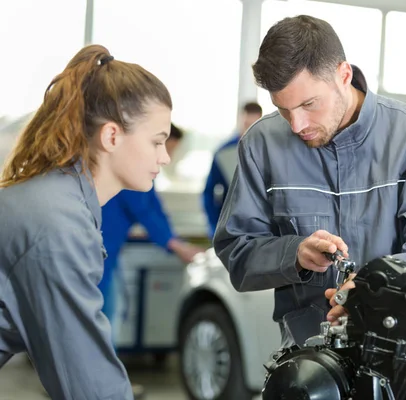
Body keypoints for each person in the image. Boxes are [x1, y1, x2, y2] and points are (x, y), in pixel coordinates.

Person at [213, 15, 406, 348]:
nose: (296, 125)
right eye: (283, 109)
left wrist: (373, 291)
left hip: (402, 353)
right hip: (307, 359)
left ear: (343, 75)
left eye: (309, 104)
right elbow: (236, 248)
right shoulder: (261, 145)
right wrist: (295, 253)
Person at [0, 44, 172, 399]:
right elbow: (90, 386)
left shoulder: (59, 202)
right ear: (111, 136)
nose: (165, 157)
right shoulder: (58, 225)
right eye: (157, 142)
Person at [100, 122, 202, 346]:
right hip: (97, 252)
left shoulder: (142, 170)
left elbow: (154, 206)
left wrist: (174, 241)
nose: (168, 158)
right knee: (104, 318)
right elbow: (144, 210)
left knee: (109, 313)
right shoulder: (133, 164)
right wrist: (174, 245)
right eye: (169, 149)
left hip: (108, 251)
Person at [203, 101, 262, 237]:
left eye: (254, 125)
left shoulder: (270, 151)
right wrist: (214, 228)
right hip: (231, 227)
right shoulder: (223, 153)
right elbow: (208, 193)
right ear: (241, 120)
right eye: (246, 124)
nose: (249, 131)